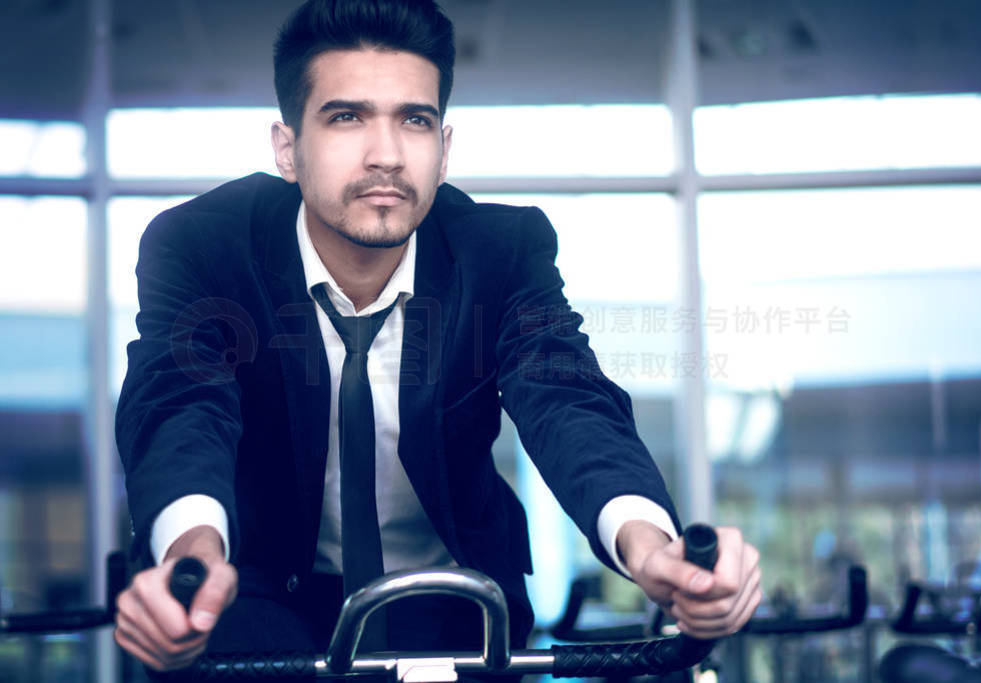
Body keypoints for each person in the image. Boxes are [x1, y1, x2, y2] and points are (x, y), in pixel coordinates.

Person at [113, 0, 762, 673]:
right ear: (287, 148)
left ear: (443, 149)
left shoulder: (500, 254)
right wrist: (191, 560)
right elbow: (181, 405)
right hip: (265, 587)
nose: (387, 155)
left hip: (451, 589)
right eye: (347, 116)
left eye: (414, 120)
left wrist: (649, 544)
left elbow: (568, 399)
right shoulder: (203, 246)